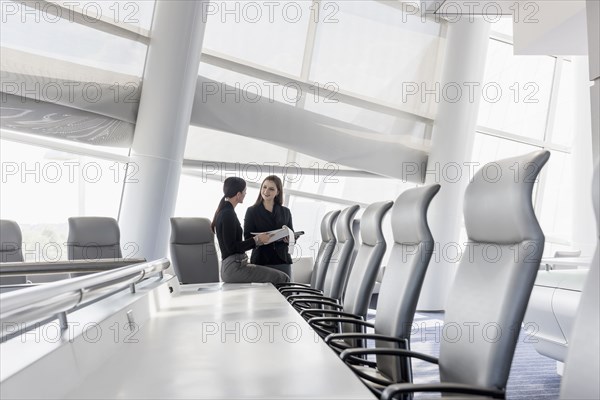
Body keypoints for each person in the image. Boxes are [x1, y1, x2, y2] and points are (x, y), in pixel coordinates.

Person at [211, 177, 290, 284]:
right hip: (234, 266)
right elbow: (232, 248)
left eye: (271, 189)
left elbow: (232, 246)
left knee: (282, 278)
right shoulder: (228, 214)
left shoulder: (227, 212)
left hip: (236, 264)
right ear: (238, 194)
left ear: (278, 192)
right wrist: (257, 240)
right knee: (283, 278)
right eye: (244, 191)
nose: (246, 193)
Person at [244, 175, 294, 278]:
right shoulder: (252, 211)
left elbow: (291, 233)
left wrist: (289, 239)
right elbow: (247, 238)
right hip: (261, 261)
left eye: (271, 189)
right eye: (264, 187)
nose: (266, 191)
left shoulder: (285, 211)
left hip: (282, 260)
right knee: (262, 294)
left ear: (278, 192)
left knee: (284, 292)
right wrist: (260, 238)